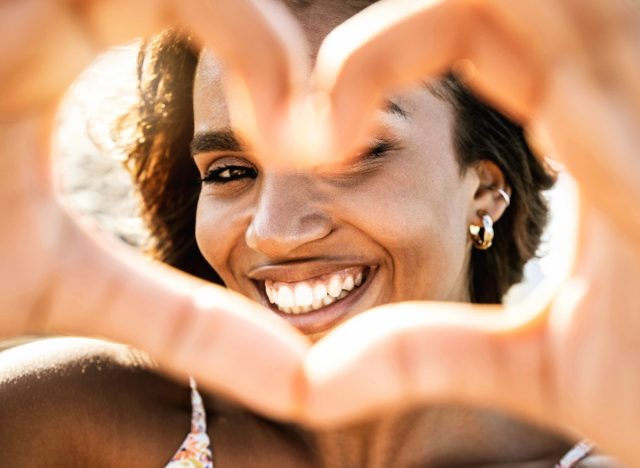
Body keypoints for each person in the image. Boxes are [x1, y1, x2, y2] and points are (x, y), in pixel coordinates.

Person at [0, 0, 638, 466]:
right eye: (229, 171)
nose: (276, 231)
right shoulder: (60, 421)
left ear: (486, 188)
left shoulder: (617, 438)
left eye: (349, 155)